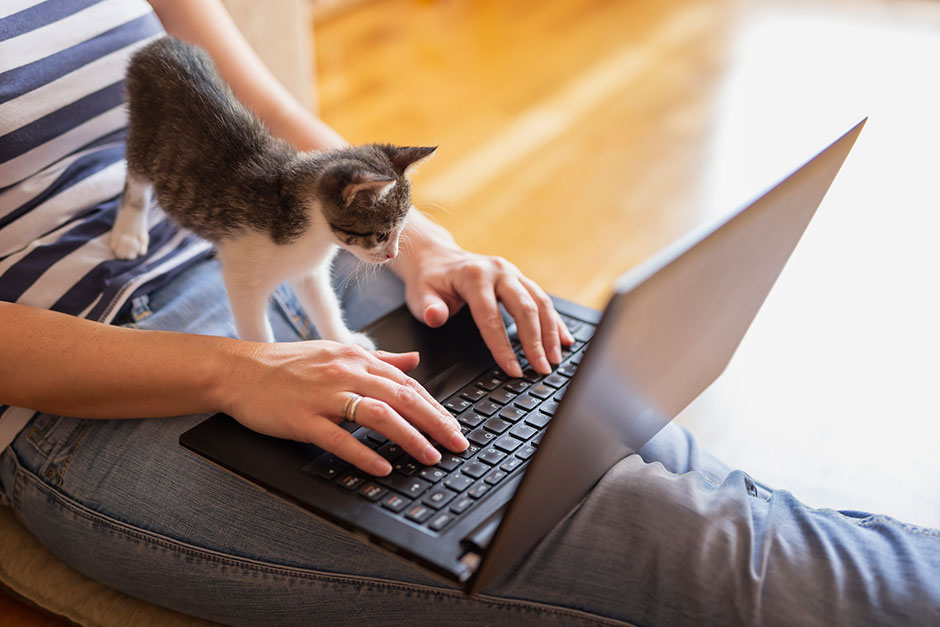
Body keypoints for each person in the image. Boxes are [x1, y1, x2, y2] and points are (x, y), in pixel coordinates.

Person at [1, 1, 937, 624]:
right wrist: (236, 368)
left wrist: (425, 246)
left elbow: (263, 108)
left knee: (651, 445)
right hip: (101, 380)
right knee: (704, 548)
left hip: (288, 244)